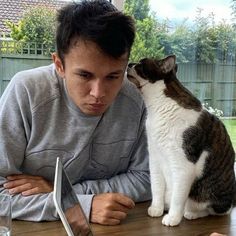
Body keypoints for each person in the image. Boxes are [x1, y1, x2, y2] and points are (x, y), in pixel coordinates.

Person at [0, 0, 151, 225]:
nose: (98, 93)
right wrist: (79, 206)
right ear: (59, 65)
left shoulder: (136, 98)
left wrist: (65, 192)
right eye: (85, 75)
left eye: (113, 76)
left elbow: (147, 179)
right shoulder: (27, 91)